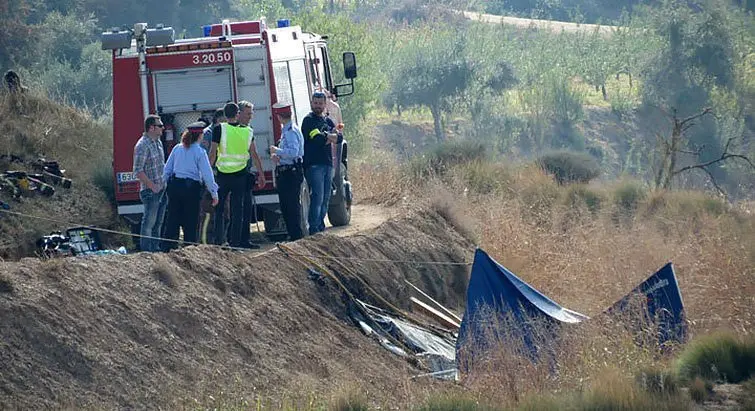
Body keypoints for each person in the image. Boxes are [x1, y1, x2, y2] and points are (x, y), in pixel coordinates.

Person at [209, 102, 264, 248]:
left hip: (223, 175)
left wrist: (207, 174)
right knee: (237, 210)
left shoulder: (219, 129)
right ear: (237, 114)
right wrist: (261, 174)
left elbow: (213, 153)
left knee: (219, 210)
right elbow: (254, 154)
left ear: (225, 115)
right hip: (240, 176)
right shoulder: (248, 131)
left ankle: (218, 241)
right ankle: (235, 243)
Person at [162, 122, 219, 249]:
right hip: (191, 189)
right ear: (199, 136)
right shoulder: (200, 152)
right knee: (191, 221)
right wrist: (214, 193)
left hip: (175, 187)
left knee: (173, 219)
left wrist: (162, 186)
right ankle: (190, 248)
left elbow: (167, 170)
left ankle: (168, 249)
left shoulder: (177, 148)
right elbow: (207, 175)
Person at [301, 91, 342, 235]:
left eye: (320, 104)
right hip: (314, 165)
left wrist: (328, 136)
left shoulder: (328, 121)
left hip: (328, 164)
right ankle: (314, 228)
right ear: (312, 103)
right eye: (315, 103)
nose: (317, 106)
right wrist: (330, 137)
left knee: (326, 197)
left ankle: (320, 225)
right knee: (317, 196)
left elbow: (340, 138)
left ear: (325, 105)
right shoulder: (308, 121)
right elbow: (317, 139)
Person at [270, 102, 305, 241]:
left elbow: (293, 152)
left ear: (279, 117)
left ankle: (296, 236)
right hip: (287, 170)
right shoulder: (288, 130)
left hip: (290, 173)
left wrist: (276, 150)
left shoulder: (290, 132)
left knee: (291, 206)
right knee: (287, 205)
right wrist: (278, 158)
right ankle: (293, 234)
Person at [133, 114, 168, 252]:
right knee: (148, 223)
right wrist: (152, 186)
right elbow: (137, 170)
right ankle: (147, 253)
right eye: (160, 126)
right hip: (150, 191)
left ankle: (155, 250)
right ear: (151, 128)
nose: (163, 128)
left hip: (162, 190)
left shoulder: (158, 142)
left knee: (158, 223)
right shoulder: (142, 145)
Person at [237, 100, 262, 249]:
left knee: (246, 208)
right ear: (239, 114)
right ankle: (237, 240)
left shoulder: (248, 129)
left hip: (246, 173)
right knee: (237, 209)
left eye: (251, 113)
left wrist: (260, 173)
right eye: (248, 114)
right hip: (234, 175)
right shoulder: (233, 129)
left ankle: (245, 240)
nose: (250, 117)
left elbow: (254, 153)